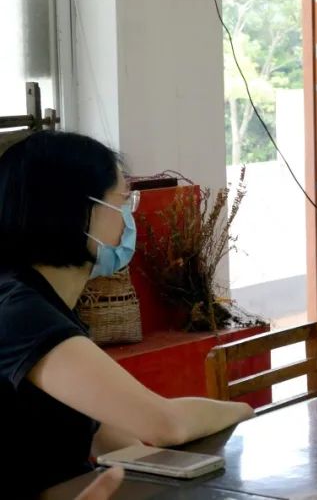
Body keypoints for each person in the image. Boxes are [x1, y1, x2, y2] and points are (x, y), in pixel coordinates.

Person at [0, 132, 254, 497]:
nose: (128, 217)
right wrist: (242, 411)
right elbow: (164, 425)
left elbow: (109, 437)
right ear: (78, 211)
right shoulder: (22, 312)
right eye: (123, 200)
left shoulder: (44, 302)